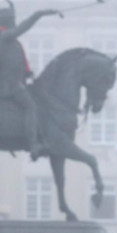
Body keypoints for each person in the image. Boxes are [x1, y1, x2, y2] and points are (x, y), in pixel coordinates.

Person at [0, 3, 62, 160]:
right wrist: (39, 14)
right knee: (31, 107)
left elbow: (14, 62)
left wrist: (26, 73)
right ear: (7, 21)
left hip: (14, 81)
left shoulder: (9, 39)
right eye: (12, 20)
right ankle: (33, 144)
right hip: (8, 85)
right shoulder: (4, 36)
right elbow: (22, 28)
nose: (14, 23)